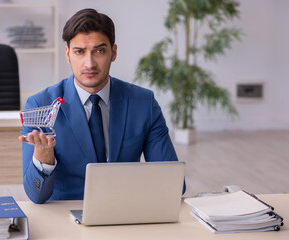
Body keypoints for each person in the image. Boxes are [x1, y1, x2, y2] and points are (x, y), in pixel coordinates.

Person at [19, 8, 184, 203]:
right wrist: (43, 159)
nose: (89, 63)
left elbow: (174, 184)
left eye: (99, 51)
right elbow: (35, 195)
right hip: (66, 215)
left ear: (113, 53)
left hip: (125, 212)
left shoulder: (143, 103)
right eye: (79, 52)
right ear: (68, 54)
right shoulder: (41, 105)